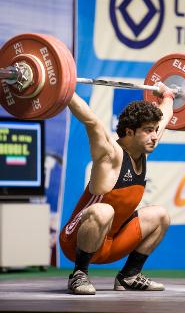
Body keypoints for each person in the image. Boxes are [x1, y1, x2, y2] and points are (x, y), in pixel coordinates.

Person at [60, 82, 175, 294]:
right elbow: (91, 120)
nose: (155, 136)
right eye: (148, 131)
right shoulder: (110, 155)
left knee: (161, 216)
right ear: (129, 132)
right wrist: (63, 87)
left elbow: (165, 117)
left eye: (155, 130)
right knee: (104, 210)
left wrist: (168, 96)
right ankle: (79, 275)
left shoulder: (143, 150)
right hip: (76, 241)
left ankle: (129, 276)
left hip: (111, 243)